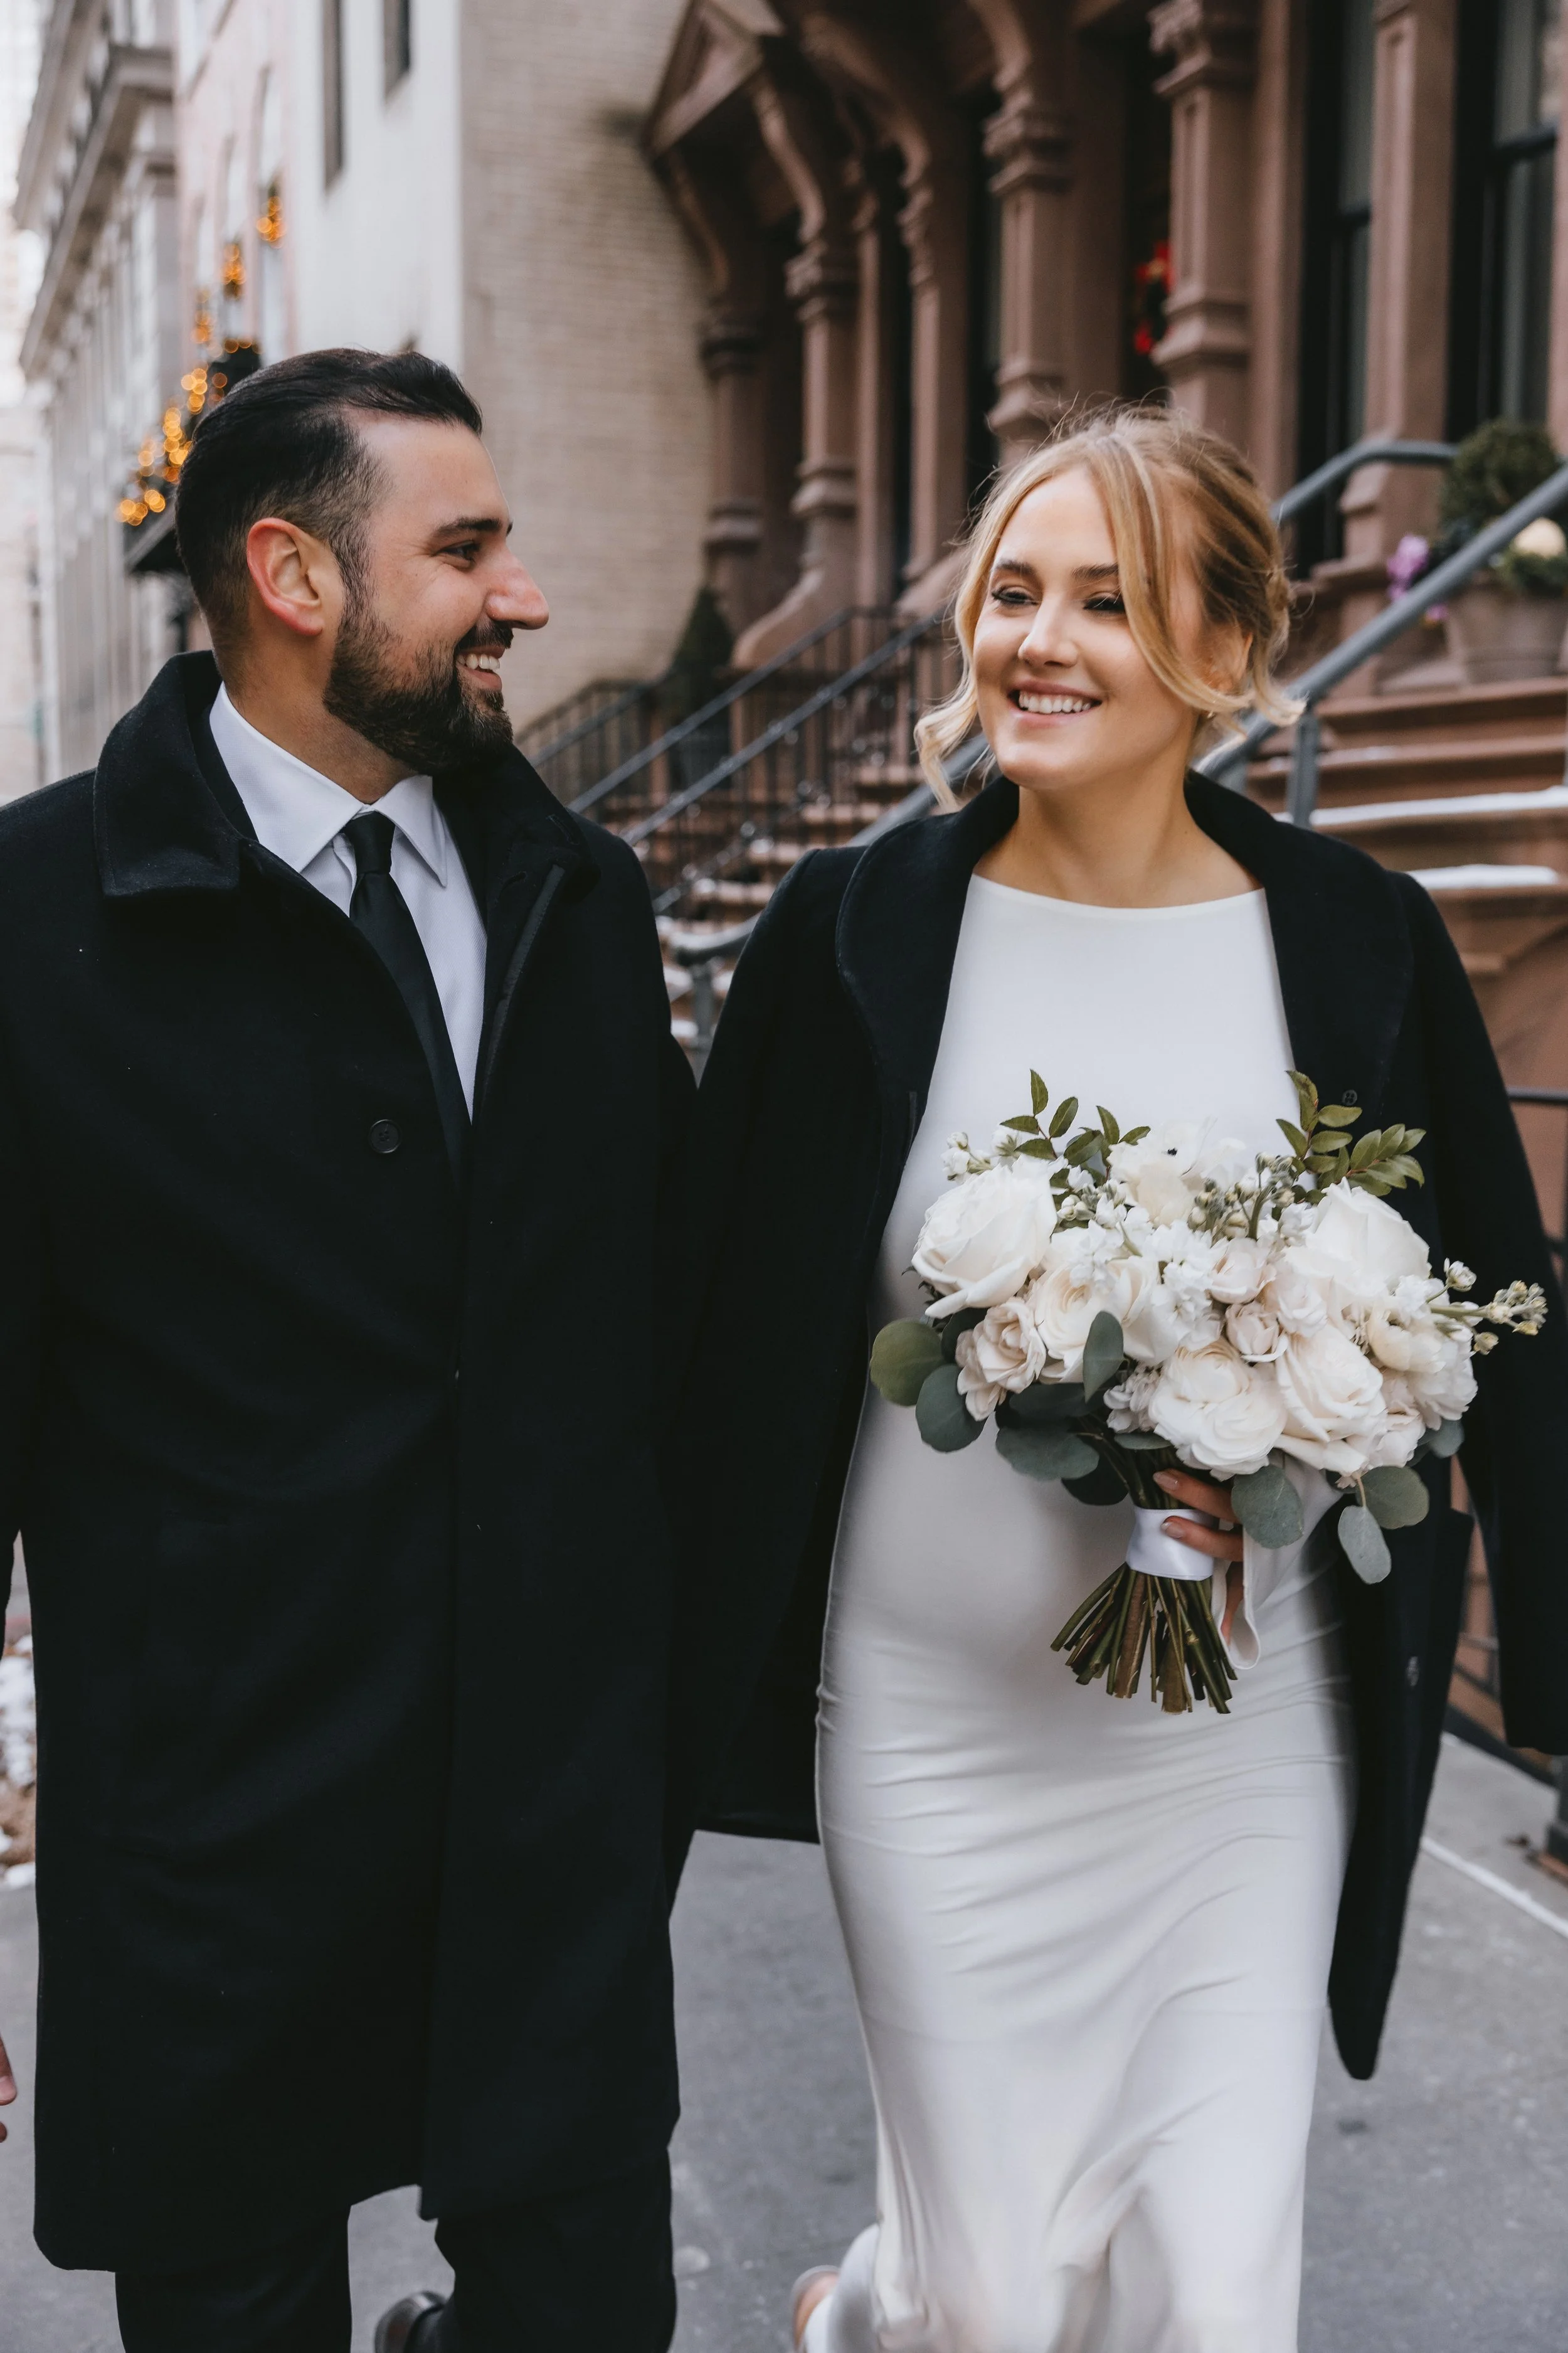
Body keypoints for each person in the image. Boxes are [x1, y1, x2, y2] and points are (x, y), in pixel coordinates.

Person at [663, 409, 1568, 2352]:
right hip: (927, 1730)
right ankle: (876, 2308)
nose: (1039, 640)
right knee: (989, 2303)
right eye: (1012, 592)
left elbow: (1496, 1308)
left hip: (1241, 1742)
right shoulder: (849, 933)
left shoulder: (1357, 942)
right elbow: (707, 1323)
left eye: (1107, 598)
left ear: (1224, 655)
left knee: (1217, 2294)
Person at [0, 349, 692, 2352]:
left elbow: (657, 1318)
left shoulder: (584, 894)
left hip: (547, 1843)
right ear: (293, 576)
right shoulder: (32, 924)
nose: (525, 594)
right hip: (215, 1850)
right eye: (466, 547)